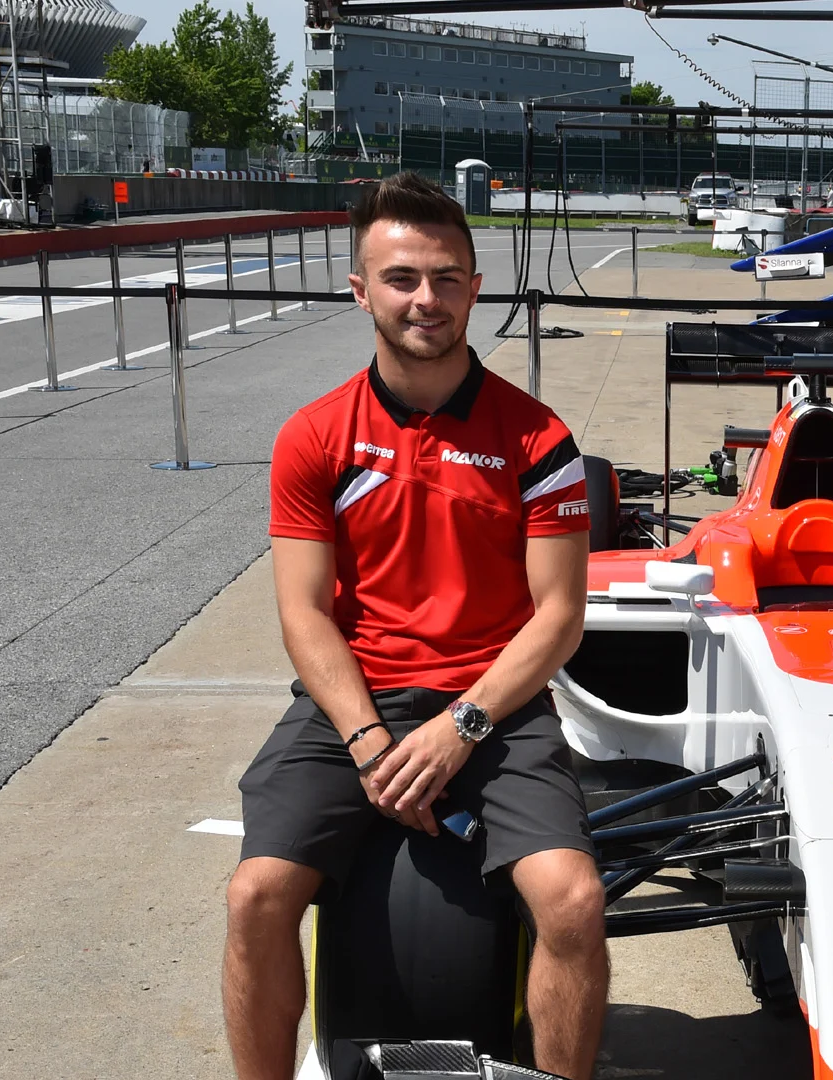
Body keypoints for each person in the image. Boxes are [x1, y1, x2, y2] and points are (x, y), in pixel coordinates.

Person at [222, 171, 606, 1080]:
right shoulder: (313, 436)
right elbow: (303, 614)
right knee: (255, 896)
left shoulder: (538, 439)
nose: (424, 299)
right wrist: (366, 742)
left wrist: (459, 727)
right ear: (361, 291)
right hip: (350, 703)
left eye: (445, 276)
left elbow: (559, 617)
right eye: (400, 278)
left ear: (476, 286)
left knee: (573, 901)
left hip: (497, 707)